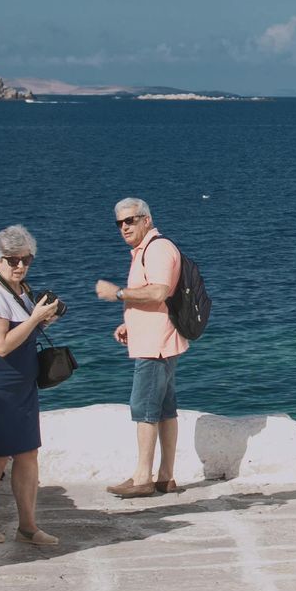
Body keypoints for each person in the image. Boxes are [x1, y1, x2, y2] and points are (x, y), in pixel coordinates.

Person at [0, 225, 62, 546]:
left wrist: (42, 317)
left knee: (28, 454)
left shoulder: (20, 289)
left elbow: (22, 331)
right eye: (12, 260)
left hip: (20, 386)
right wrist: (34, 320)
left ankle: (28, 527)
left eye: (26, 260)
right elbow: (0, 345)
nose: (19, 266)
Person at [94, 197, 188, 498]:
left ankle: (142, 478)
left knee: (144, 408)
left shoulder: (157, 249)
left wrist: (117, 293)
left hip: (154, 345)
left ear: (146, 219)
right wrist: (130, 324)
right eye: (119, 223)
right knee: (164, 409)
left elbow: (158, 291)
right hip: (157, 338)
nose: (124, 227)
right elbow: (155, 294)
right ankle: (165, 477)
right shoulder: (145, 251)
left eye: (130, 220)